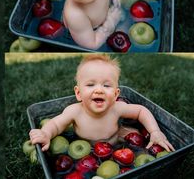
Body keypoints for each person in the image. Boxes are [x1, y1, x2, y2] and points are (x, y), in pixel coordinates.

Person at [29, 54, 175, 152]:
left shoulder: (117, 108)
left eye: (106, 86)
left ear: (116, 94)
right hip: (87, 150)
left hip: (116, 141)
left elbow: (141, 111)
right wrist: (46, 133)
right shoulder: (74, 111)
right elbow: (56, 124)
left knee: (137, 140)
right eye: (91, 84)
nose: (99, 90)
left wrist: (155, 132)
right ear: (78, 93)